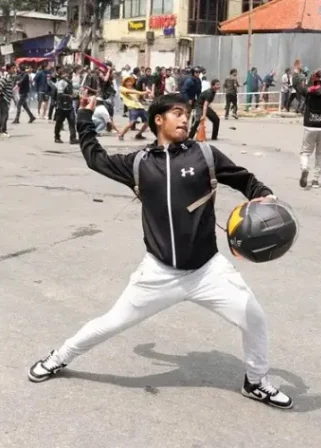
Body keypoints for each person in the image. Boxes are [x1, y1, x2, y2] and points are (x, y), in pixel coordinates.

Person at [27, 93, 291, 410]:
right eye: (177, 113)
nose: (185, 119)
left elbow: (244, 179)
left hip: (207, 270)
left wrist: (264, 195)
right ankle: (58, 358)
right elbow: (95, 158)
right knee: (111, 322)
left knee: (255, 319)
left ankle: (256, 382)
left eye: (188, 113)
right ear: (158, 120)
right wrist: (84, 117)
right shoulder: (139, 164)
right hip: (159, 273)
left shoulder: (205, 155)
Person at [117, 76, 149, 141]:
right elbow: (129, 91)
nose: (129, 83)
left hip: (140, 107)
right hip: (132, 108)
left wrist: (147, 93)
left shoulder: (134, 90)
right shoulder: (122, 88)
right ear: (124, 83)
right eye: (127, 81)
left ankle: (139, 134)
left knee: (148, 122)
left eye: (130, 81)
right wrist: (141, 92)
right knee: (131, 123)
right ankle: (121, 134)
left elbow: (139, 97)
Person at [52, 67, 77, 144]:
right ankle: (57, 137)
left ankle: (73, 138)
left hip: (69, 106)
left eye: (71, 74)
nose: (70, 75)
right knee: (59, 122)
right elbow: (60, 94)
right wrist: (69, 96)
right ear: (65, 74)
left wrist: (75, 95)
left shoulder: (70, 82)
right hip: (61, 107)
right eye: (69, 74)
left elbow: (72, 92)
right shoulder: (62, 82)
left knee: (72, 122)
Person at [0, 63, 16, 137]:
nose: (14, 70)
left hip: (6, 98)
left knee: (1, 115)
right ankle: (2, 131)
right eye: (13, 68)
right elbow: (0, 88)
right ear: (9, 69)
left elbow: (10, 89)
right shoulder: (6, 77)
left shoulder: (10, 77)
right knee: (4, 115)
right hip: (3, 98)